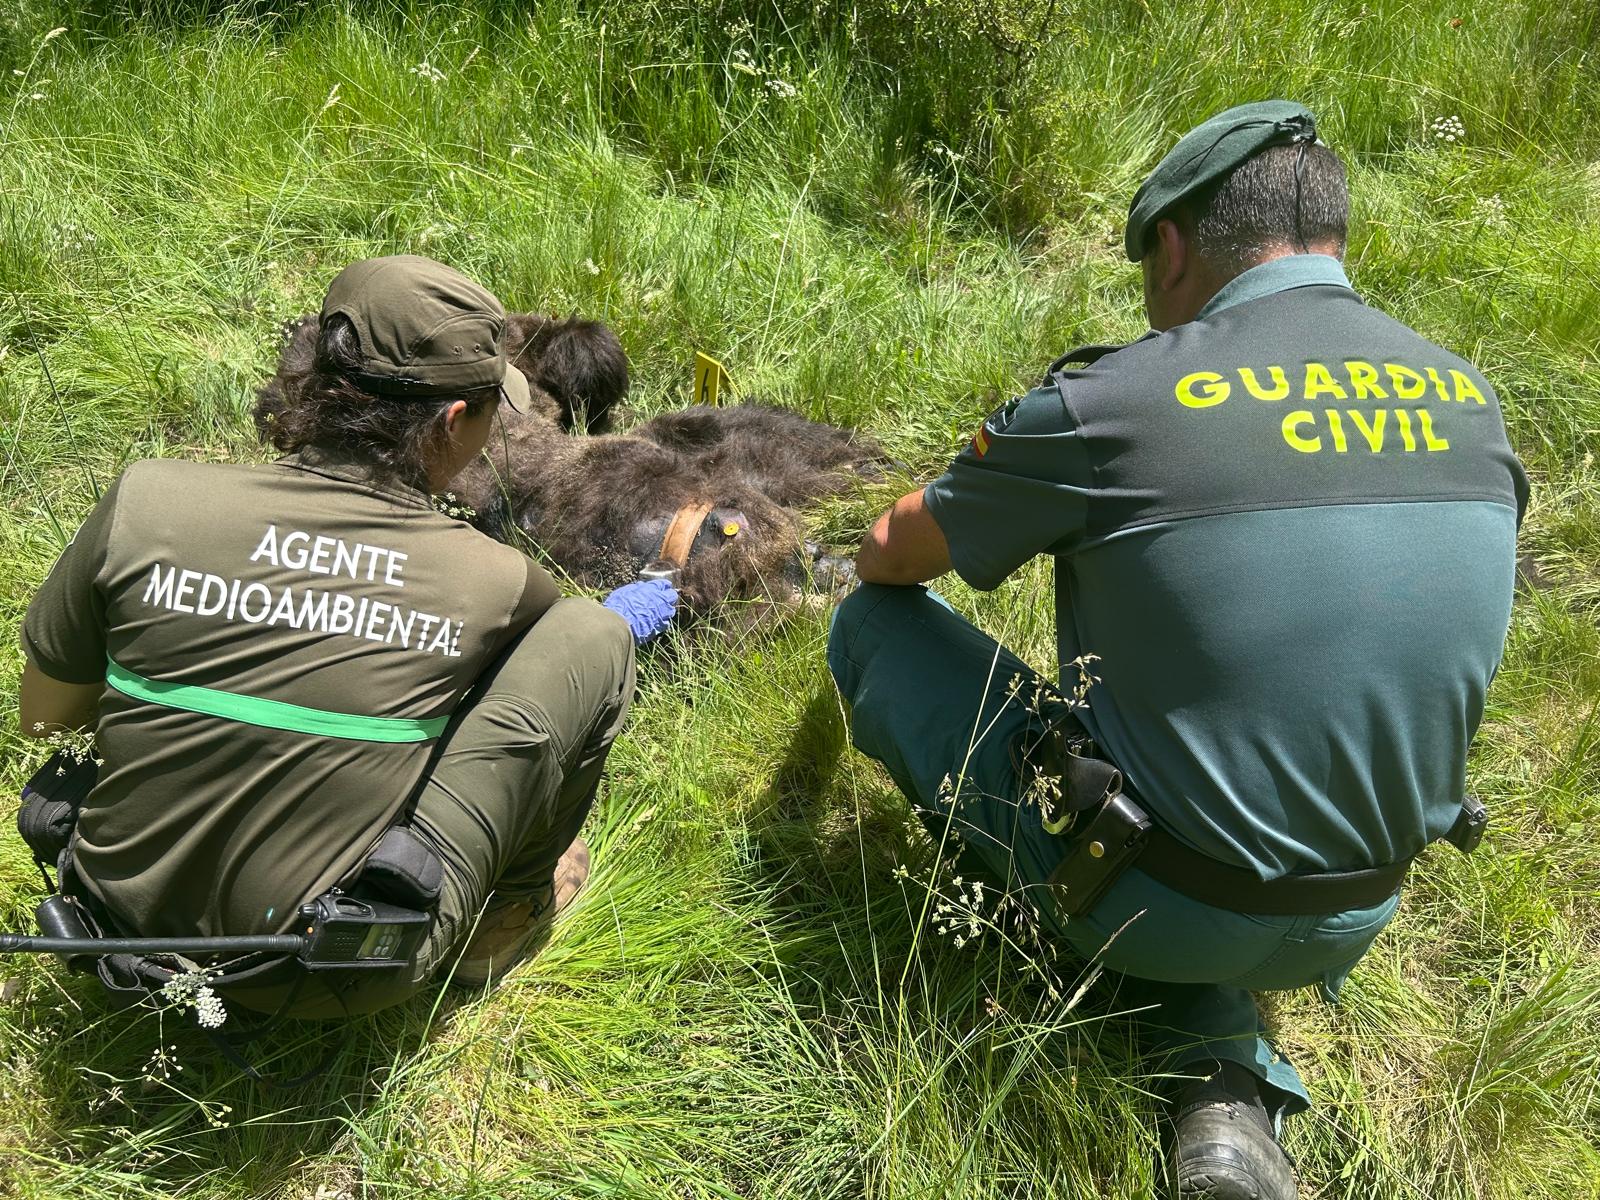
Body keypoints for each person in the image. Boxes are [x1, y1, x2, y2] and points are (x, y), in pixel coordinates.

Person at [828, 101, 1527, 1199]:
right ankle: (1220, 1083)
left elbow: (886, 556)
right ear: (1333, 239)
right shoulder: (1473, 401)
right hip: (1363, 907)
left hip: (1150, 903)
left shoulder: (1114, 399)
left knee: (868, 628)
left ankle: (1189, 1022)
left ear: (1171, 245)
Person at [17, 255, 673, 1018]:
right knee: (592, 634)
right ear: (454, 420)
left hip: (103, 923)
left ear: (313, 374)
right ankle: (503, 925)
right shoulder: (498, 583)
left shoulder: (150, 496)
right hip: (331, 976)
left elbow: (45, 717)